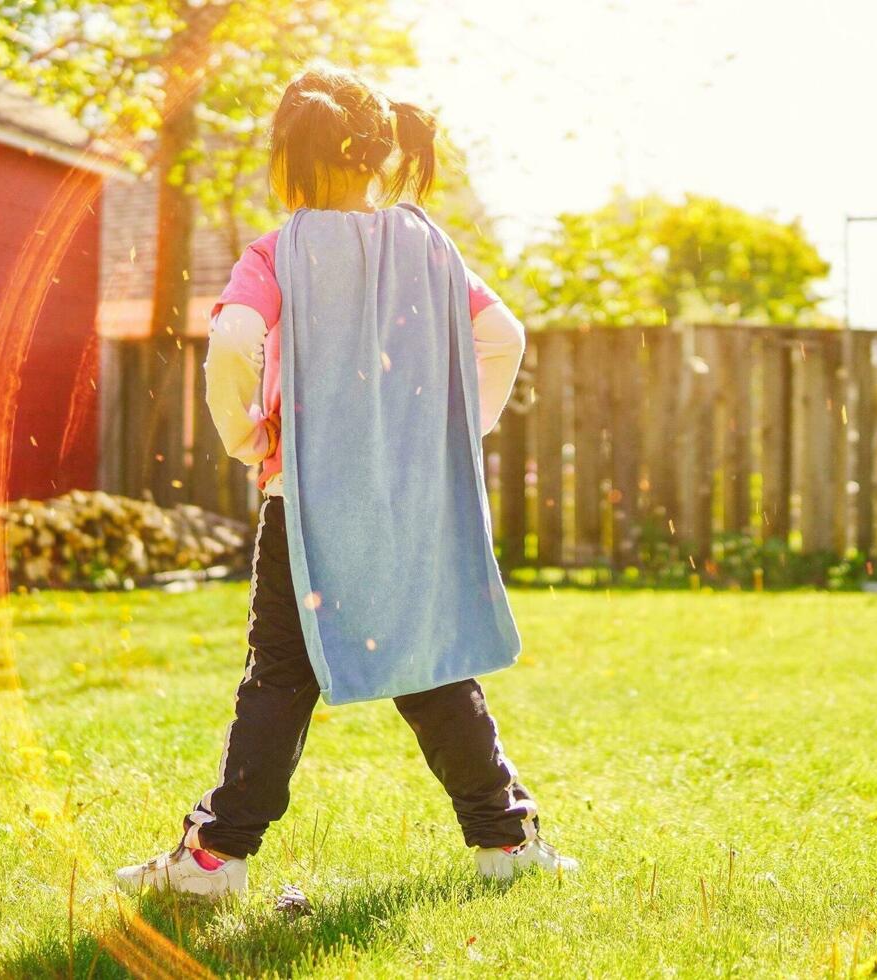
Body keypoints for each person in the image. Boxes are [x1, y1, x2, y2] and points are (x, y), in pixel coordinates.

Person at [115, 64, 576, 898]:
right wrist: (447, 437)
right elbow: (502, 337)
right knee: (433, 666)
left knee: (282, 675)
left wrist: (247, 436)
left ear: (286, 161)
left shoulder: (280, 251)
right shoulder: (429, 245)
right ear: (379, 152)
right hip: (409, 506)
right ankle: (506, 841)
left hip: (309, 509)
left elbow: (231, 345)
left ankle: (215, 859)